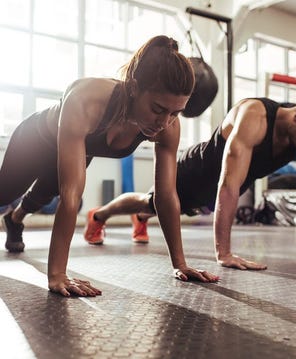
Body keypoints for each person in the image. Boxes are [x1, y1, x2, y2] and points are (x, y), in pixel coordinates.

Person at [0, 35, 220, 297]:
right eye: (157, 108)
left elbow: (165, 195)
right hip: (36, 140)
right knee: (7, 193)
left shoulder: (168, 126)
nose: (165, 121)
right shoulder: (87, 99)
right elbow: (72, 196)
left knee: (44, 193)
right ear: (135, 87)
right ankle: (11, 211)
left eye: (175, 112)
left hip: (78, 145)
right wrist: (57, 274)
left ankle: (14, 220)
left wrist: (180, 264)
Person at [84, 88, 296, 277]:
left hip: (223, 188)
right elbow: (228, 184)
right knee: (153, 203)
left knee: (165, 209)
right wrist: (223, 253)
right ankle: (100, 215)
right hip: (198, 171)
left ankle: (139, 217)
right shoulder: (255, 117)